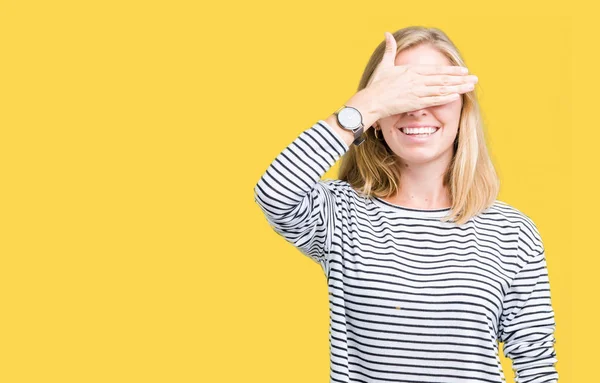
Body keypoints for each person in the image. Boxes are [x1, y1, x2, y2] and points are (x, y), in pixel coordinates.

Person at [254, 26, 558, 383]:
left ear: (463, 109)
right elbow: (274, 193)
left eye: (435, 90)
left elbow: (535, 363)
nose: (417, 109)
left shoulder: (512, 232)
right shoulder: (341, 213)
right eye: (403, 93)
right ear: (377, 119)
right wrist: (365, 106)